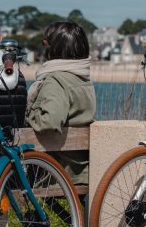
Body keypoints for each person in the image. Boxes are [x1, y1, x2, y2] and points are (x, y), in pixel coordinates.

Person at [26, 21, 96, 184]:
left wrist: (29, 114)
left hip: (55, 174)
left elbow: (49, 122)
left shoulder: (56, 81)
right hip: (80, 171)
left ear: (53, 49)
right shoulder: (83, 79)